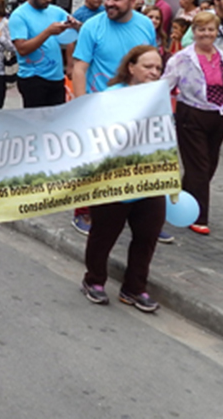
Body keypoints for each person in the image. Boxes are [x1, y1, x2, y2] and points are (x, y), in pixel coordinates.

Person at [70, 0, 166, 241]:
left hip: (137, 110)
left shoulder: (145, 25)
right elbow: (80, 67)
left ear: (133, 1)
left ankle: (146, 215)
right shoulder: (92, 26)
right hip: (101, 108)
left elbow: (152, 62)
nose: (108, 4)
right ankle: (84, 210)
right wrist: (81, 107)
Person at [81, 45, 168, 313]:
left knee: (147, 236)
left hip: (149, 179)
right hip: (114, 179)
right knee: (103, 235)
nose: (154, 72)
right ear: (131, 67)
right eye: (148, 67)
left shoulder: (159, 96)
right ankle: (94, 280)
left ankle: (134, 287)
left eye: (158, 68)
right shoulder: (111, 96)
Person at [162, 10, 223, 236]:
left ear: (216, 32)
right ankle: (198, 217)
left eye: (210, 30)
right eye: (201, 29)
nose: (206, 34)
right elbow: (164, 85)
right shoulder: (182, 58)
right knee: (199, 168)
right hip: (191, 115)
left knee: (208, 165)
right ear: (194, 32)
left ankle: (180, 201)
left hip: (220, 115)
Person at [9, 0, 80, 108]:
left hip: (56, 77)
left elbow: (75, 32)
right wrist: (48, 32)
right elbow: (22, 49)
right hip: (33, 79)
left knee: (56, 121)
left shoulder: (55, 11)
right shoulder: (19, 15)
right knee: (36, 124)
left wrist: (76, 25)